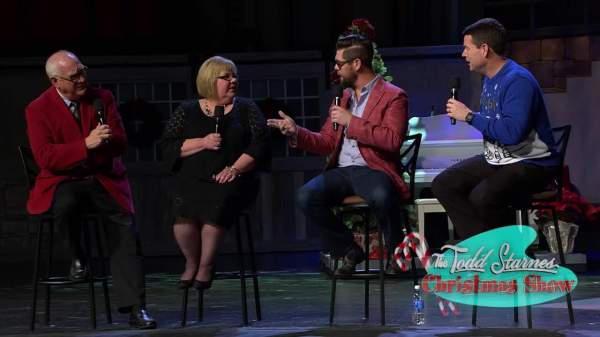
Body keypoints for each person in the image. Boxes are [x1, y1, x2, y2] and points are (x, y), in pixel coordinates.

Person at [25, 50, 156, 329]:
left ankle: (135, 307)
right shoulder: (37, 109)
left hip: (102, 178)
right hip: (64, 180)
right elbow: (46, 158)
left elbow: (121, 143)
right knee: (65, 205)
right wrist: (85, 144)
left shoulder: (102, 98)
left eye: (83, 71)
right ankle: (76, 255)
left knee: (125, 230)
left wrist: (106, 140)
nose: (83, 79)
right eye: (74, 77)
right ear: (55, 82)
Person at [267, 34, 409, 274]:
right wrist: (296, 131)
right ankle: (349, 250)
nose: (335, 69)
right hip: (343, 172)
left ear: (356, 64)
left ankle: (397, 255)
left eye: (339, 63)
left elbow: (392, 141)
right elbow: (326, 142)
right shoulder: (344, 97)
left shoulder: (393, 95)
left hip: (373, 169)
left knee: (382, 195)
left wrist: (352, 122)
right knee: (306, 196)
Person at [432, 18, 560, 239]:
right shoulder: (489, 80)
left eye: (467, 48)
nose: (463, 54)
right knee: (444, 184)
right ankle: (481, 250)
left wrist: (470, 116)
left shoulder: (517, 80)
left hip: (532, 163)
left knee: (483, 196)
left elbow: (512, 133)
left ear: (484, 49)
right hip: (502, 158)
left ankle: (504, 254)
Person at [160, 56, 269, 290]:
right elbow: (167, 147)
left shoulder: (246, 108)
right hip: (193, 179)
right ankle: (191, 263)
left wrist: (234, 169)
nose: (233, 81)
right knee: (182, 208)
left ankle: (206, 266)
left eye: (234, 76)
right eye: (225, 77)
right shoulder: (187, 109)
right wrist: (202, 142)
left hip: (233, 178)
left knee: (217, 202)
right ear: (210, 81)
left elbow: (260, 145)